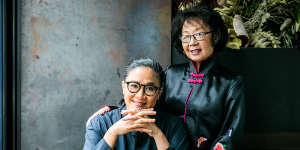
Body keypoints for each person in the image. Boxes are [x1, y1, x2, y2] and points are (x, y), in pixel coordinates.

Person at [87, 5, 245, 150]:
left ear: (215, 36)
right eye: (186, 36)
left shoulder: (230, 83)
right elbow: (147, 99)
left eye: (198, 34)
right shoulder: (171, 74)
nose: (192, 42)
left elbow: (231, 132)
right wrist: (111, 112)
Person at [83, 58, 189, 150]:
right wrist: (112, 133)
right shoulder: (100, 123)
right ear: (124, 87)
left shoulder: (174, 126)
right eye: (134, 86)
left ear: (159, 93)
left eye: (150, 88)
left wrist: (157, 134)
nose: (140, 95)